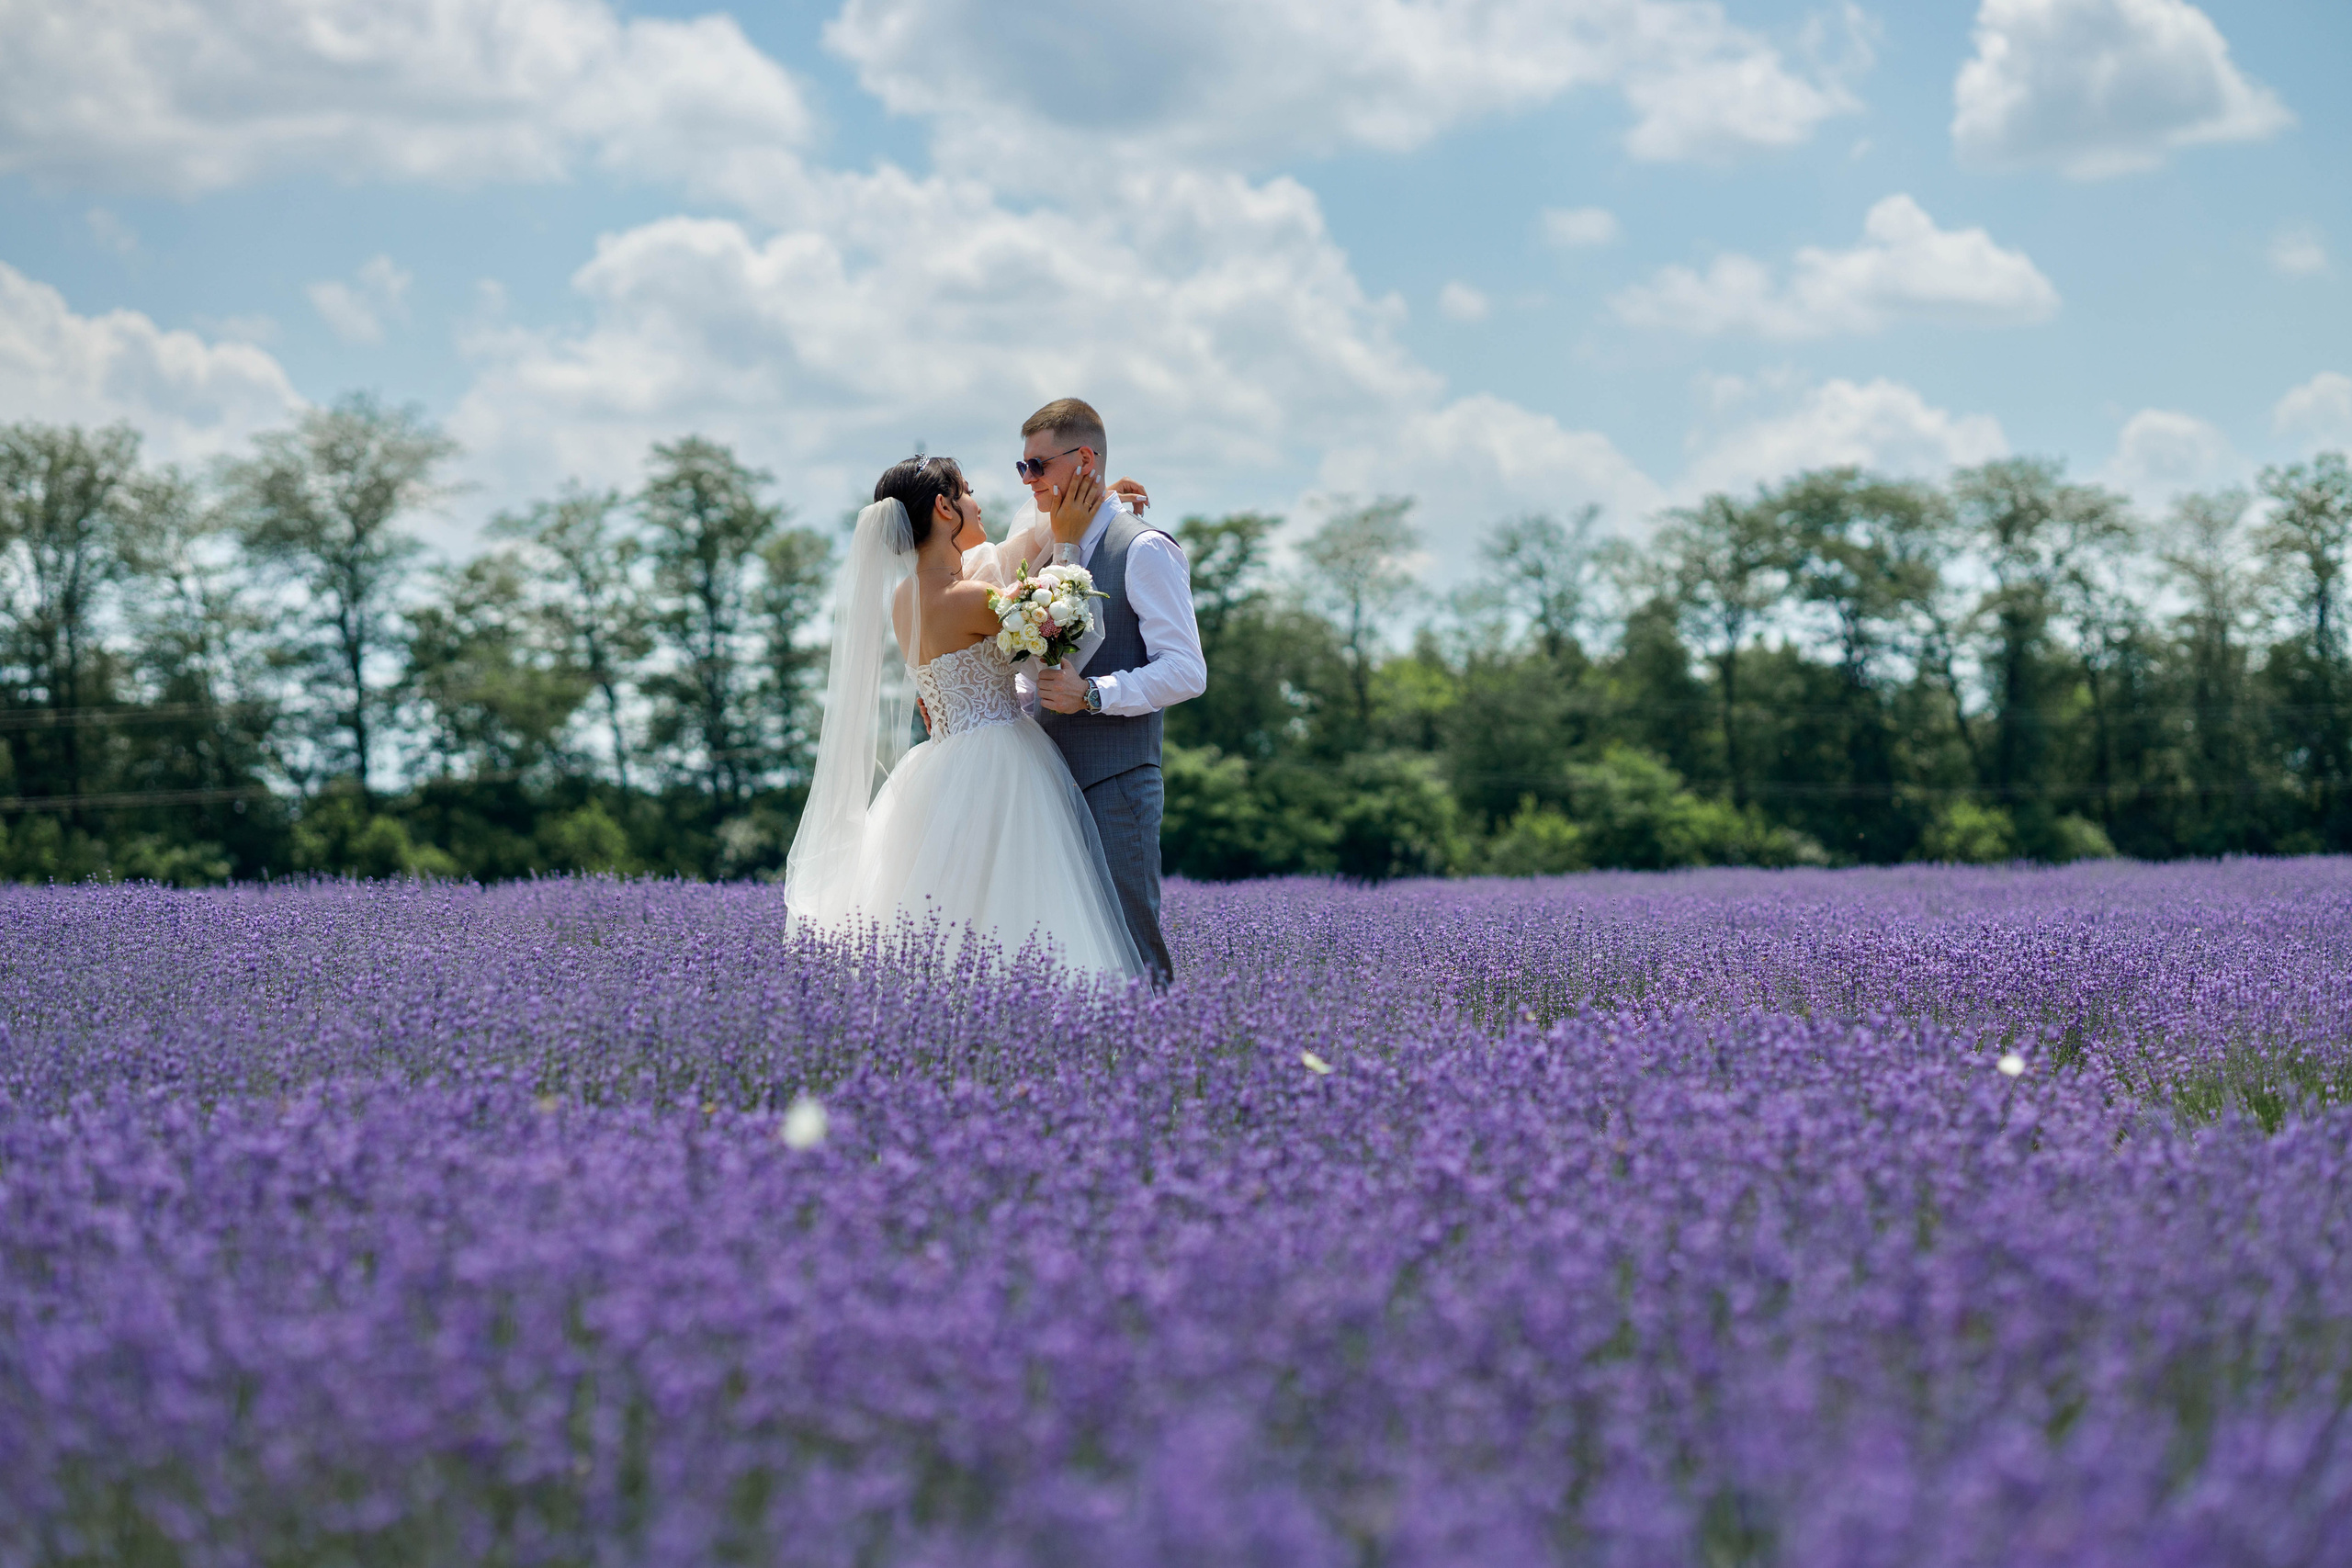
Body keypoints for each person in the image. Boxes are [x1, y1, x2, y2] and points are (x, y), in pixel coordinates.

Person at [780, 453, 1149, 981]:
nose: (978, 503)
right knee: (1023, 906)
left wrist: (1085, 503)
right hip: (1001, 760)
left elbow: (1002, 556)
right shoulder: (975, 600)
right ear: (944, 508)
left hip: (940, 763)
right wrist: (1069, 543)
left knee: (948, 916)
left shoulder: (906, 598)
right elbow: (1058, 632)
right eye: (968, 492)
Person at [1005, 399, 1205, 986]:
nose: (1028, 482)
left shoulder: (1143, 549)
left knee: (1132, 946)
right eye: (1022, 469)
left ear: (1084, 459)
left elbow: (1187, 670)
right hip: (1045, 783)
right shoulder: (1049, 551)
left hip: (1117, 784)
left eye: (1037, 466)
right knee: (1063, 956)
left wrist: (1093, 694)